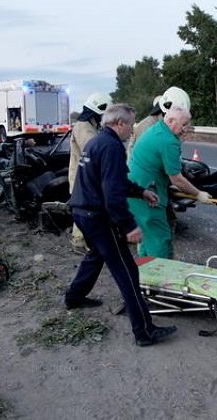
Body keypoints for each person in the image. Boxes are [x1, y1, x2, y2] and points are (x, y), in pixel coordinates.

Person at [64, 104, 177, 347]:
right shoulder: (112, 146)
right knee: (127, 271)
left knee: (95, 255)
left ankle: (73, 297)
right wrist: (128, 226)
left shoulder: (98, 142)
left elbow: (115, 180)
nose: (132, 130)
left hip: (81, 210)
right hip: (96, 215)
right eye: (131, 124)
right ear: (119, 124)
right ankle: (144, 332)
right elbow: (112, 193)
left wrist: (141, 192)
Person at [128, 105, 211, 258]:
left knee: (148, 236)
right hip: (147, 194)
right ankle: (161, 275)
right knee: (160, 238)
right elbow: (177, 179)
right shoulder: (168, 141)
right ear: (171, 120)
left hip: (136, 190)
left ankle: (144, 274)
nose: (185, 129)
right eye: (184, 125)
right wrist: (198, 194)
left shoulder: (156, 129)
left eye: (188, 125)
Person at [68, 92, 113, 251]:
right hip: (82, 178)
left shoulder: (88, 126)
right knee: (85, 210)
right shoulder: (84, 128)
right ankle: (82, 243)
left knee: (84, 209)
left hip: (85, 177)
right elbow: (94, 151)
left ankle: (80, 240)